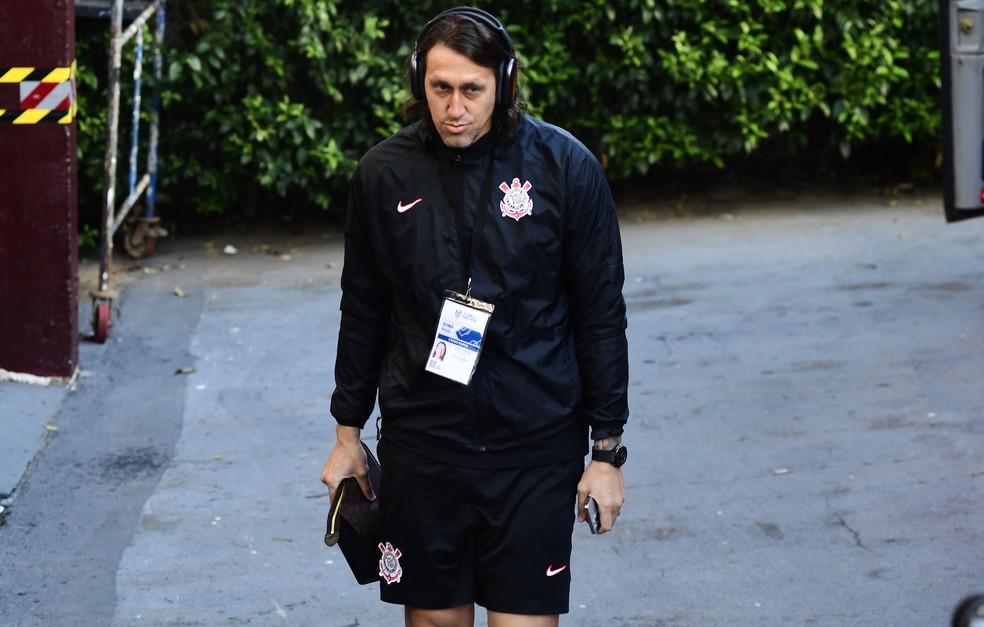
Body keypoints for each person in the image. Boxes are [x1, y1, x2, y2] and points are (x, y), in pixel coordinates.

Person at [320, 7, 629, 627]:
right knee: (434, 620)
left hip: (536, 445)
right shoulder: (383, 174)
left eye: (471, 90)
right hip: (423, 445)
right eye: (440, 88)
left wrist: (606, 453)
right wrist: (347, 435)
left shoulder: (566, 168)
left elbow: (600, 316)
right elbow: (363, 310)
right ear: (418, 84)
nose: (454, 107)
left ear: (505, 83)